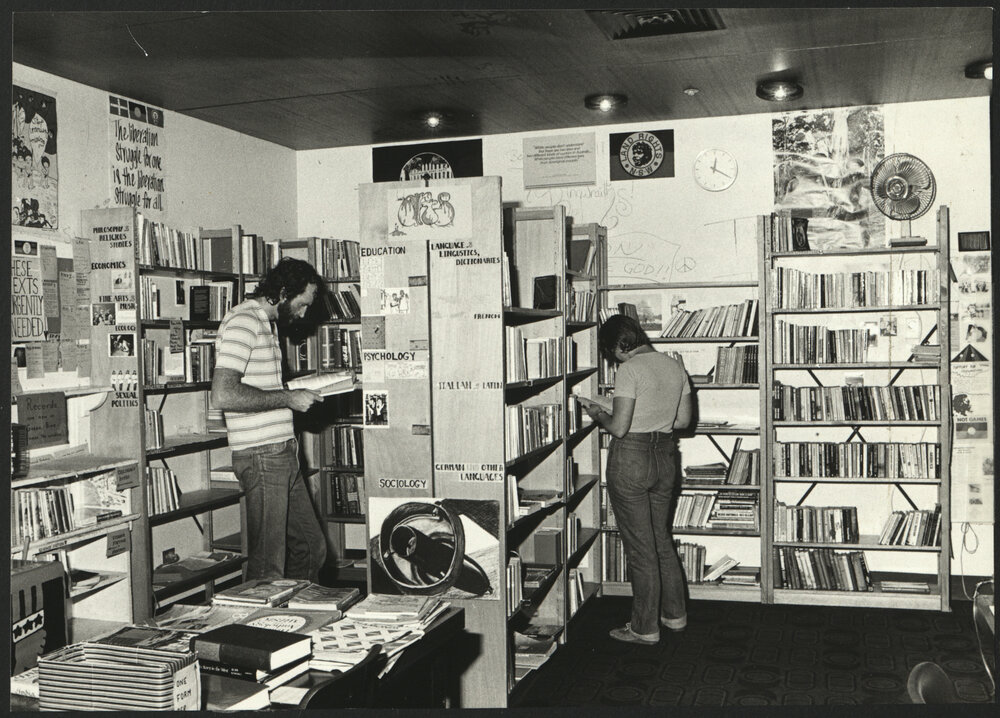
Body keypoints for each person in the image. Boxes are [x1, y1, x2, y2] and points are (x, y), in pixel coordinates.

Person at [577, 314, 692, 644]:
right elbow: (683, 420)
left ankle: (644, 628)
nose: (614, 358)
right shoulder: (674, 366)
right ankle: (675, 616)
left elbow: (619, 427)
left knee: (641, 550)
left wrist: (596, 410)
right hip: (666, 456)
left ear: (618, 345)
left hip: (632, 458)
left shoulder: (628, 370)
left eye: (612, 352)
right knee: (661, 541)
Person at [211, 257, 327, 581]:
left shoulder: (266, 324)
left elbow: (259, 387)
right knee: (267, 566)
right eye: (302, 305)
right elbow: (223, 394)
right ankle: (261, 629)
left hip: (281, 453)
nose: (303, 314)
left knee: (311, 547)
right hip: (262, 455)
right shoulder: (244, 321)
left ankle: (293, 621)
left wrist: (297, 392)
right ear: (284, 291)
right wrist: (288, 398)